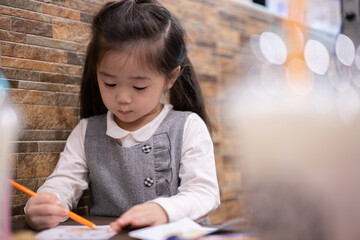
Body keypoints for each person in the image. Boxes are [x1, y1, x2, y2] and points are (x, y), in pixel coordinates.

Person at [24, 0, 220, 231]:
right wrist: (47, 203)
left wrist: (164, 210)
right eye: (110, 83)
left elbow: (204, 193)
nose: (123, 98)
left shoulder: (187, 126)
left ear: (171, 77)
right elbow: (65, 181)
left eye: (139, 87)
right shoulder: (87, 131)